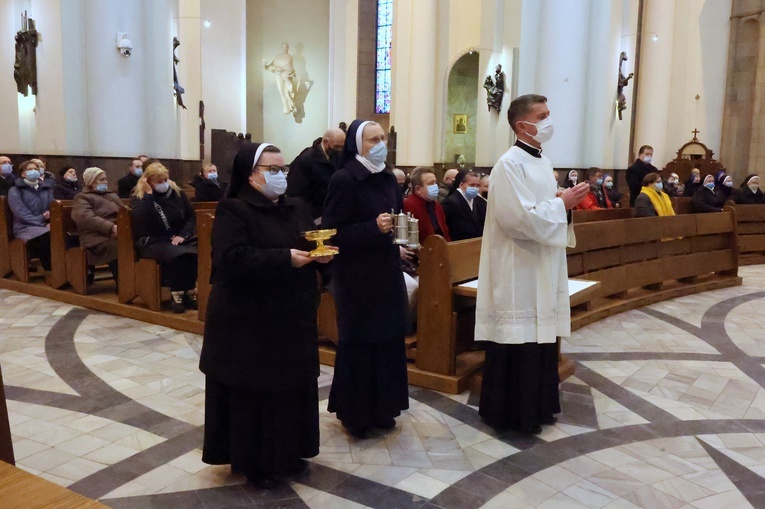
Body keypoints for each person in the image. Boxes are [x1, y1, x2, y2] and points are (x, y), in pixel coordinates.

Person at [199, 142, 331, 488]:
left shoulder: (296, 206)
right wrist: (284, 258)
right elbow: (231, 260)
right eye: (272, 170)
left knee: (291, 389)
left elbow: (307, 242)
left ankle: (290, 451)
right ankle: (257, 462)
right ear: (251, 174)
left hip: (292, 317)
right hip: (249, 323)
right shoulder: (233, 209)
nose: (281, 176)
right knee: (257, 394)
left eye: (283, 169)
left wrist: (321, 256)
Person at [475, 94, 589, 434]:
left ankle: (537, 408)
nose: (548, 121)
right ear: (522, 125)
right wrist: (562, 204)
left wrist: (561, 205)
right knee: (518, 341)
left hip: (540, 263)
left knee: (540, 341)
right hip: (518, 267)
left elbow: (541, 209)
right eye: (542, 116)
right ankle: (510, 414)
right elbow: (517, 220)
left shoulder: (541, 161)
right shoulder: (509, 164)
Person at [322, 119, 410, 439]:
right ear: (357, 145)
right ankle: (356, 413)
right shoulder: (344, 179)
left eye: (383, 137)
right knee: (361, 342)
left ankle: (384, 407)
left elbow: (396, 218)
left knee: (388, 339)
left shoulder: (388, 176)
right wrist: (373, 227)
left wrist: (399, 237)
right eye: (373, 139)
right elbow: (332, 233)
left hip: (386, 270)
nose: (380, 143)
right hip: (356, 275)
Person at [130, 162, 198, 313]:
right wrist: (148, 195)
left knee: (195, 252)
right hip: (153, 241)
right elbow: (140, 217)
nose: (164, 184)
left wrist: (183, 234)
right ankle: (177, 296)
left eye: (165, 180)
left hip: (178, 238)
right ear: (148, 181)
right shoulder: (139, 197)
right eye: (159, 181)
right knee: (179, 254)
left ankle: (186, 292)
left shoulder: (176, 193)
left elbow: (190, 217)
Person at [71, 167, 122, 286]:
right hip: (95, 238)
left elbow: (124, 212)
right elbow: (85, 217)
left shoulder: (112, 196)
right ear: (91, 182)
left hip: (117, 233)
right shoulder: (82, 197)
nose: (105, 182)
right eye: (101, 180)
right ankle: (123, 284)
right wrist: (111, 228)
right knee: (118, 247)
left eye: (105, 179)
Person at [286, 128, 346, 221]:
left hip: (330, 213)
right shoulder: (306, 159)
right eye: (336, 147)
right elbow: (295, 192)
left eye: (342, 147)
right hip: (313, 215)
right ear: (325, 142)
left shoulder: (337, 158)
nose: (339, 150)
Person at [7, 160, 55, 270]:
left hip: (44, 225)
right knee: (46, 236)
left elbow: (53, 208)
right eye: (29, 169)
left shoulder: (46, 189)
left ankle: (66, 270)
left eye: (36, 169)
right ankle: (50, 271)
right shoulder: (15, 190)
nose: (33, 171)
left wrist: (50, 222)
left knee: (60, 233)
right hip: (24, 227)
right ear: (23, 173)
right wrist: (42, 220)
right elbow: (21, 214)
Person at [404, 167, 451, 244]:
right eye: (431, 183)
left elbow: (445, 231)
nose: (435, 186)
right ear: (418, 189)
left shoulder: (437, 205)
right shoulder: (409, 205)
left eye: (435, 182)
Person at [442, 170, 486, 240]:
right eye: (472, 185)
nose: (475, 188)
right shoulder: (449, 203)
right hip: (458, 244)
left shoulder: (480, 202)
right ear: (461, 185)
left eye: (477, 186)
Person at [263, 43, 298, 114]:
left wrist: (295, 74)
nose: (285, 48)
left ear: (288, 48)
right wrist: (266, 65)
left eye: (286, 47)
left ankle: (292, 106)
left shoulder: (290, 57)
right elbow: (272, 64)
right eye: (284, 47)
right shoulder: (278, 56)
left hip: (287, 75)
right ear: (282, 48)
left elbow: (290, 67)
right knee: (281, 92)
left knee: (288, 91)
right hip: (278, 75)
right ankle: (286, 107)